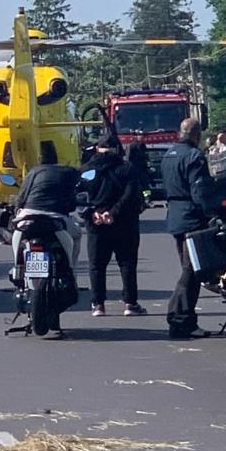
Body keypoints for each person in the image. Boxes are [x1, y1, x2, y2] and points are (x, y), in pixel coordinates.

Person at [160, 117, 216, 339]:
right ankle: (179, 318)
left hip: (175, 216)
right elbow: (199, 191)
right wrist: (210, 212)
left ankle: (186, 320)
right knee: (192, 270)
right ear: (196, 135)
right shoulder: (194, 156)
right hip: (191, 216)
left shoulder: (168, 155)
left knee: (189, 268)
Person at [81, 134, 146, 317]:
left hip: (95, 223)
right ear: (117, 149)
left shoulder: (87, 170)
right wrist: (113, 212)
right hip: (124, 222)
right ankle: (130, 304)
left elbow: (81, 195)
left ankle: (98, 304)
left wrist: (93, 213)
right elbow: (130, 194)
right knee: (126, 263)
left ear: (96, 149)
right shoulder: (126, 168)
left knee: (96, 265)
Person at [11, 141, 82, 288]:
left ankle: (17, 269)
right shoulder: (68, 172)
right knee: (77, 235)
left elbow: (21, 198)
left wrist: (16, 211)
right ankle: (72, 276)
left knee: (16, 239)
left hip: (28, 216)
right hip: (56, 218)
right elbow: (72, 199)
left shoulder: (33, 172)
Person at [126, 140, 154, 210]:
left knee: (143, 187)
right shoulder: (133, 148)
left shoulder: (134, 148)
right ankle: (145, 200)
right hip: (138, 170)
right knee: (143, 187)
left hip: (140, 170)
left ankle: (145, 200)